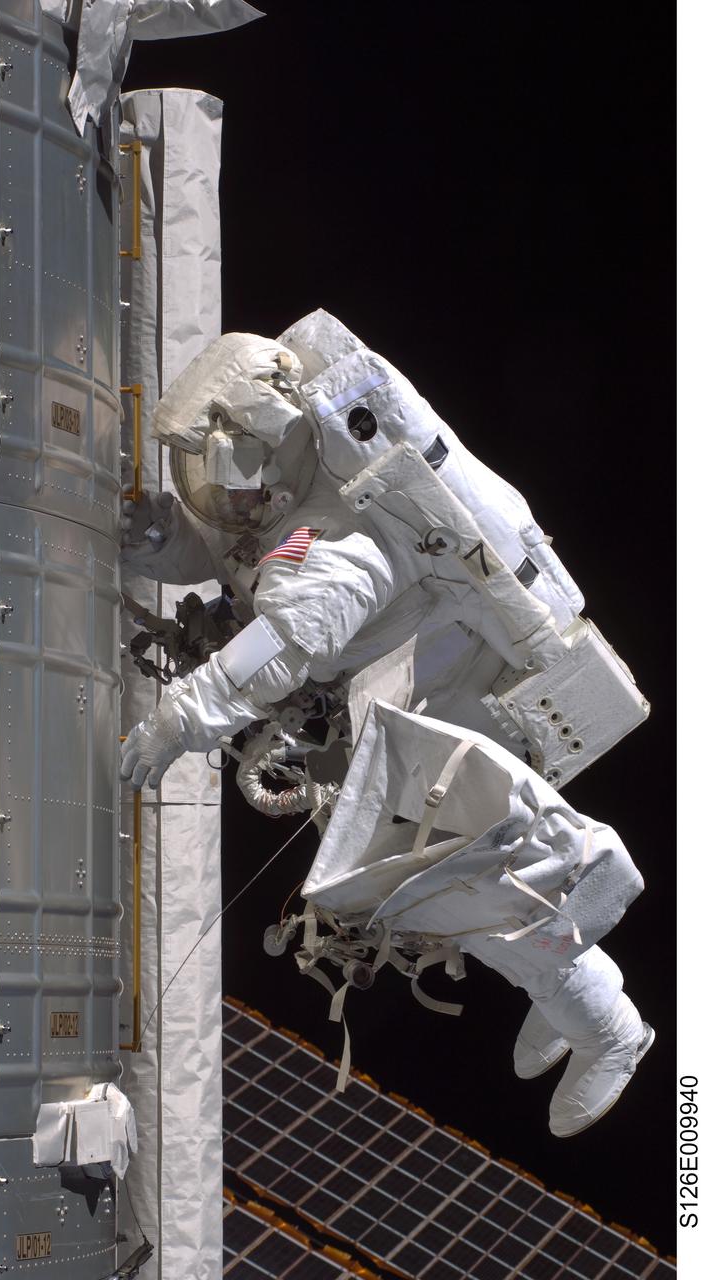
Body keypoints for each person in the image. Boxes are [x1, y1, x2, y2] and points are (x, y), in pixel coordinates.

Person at [119, 310, 652, 1135]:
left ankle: (608, 1029)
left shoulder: (346, 547)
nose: (222, 497)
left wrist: (181, 719)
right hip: (408, 726)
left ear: (273, 452)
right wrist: (160, 542)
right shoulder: (299, 501)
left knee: (465, 890)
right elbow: (237, 554)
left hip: (449, 733)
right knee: (463, 895)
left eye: (228, 480)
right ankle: (578, 993)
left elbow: (284, 641)